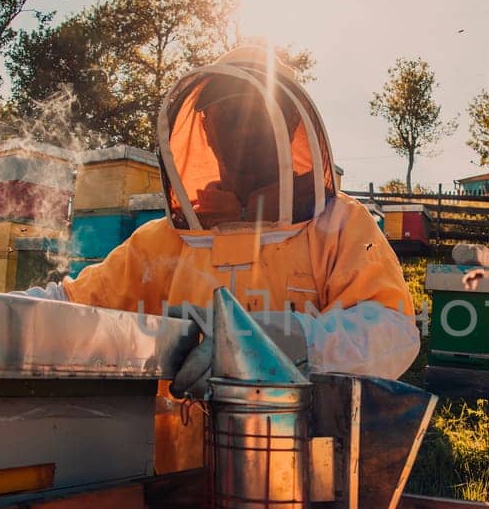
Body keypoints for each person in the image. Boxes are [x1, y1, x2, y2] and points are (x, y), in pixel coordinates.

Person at [32, 46, 421, 400]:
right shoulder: (161, 242)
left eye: (258, 114)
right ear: (207, 132)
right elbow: (73, 306)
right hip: (174, 468)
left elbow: (393, 332)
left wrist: (290, 341)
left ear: (289, 125)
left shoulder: (340, 226)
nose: (244, 132)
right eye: (228, 118)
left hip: (301, 462)